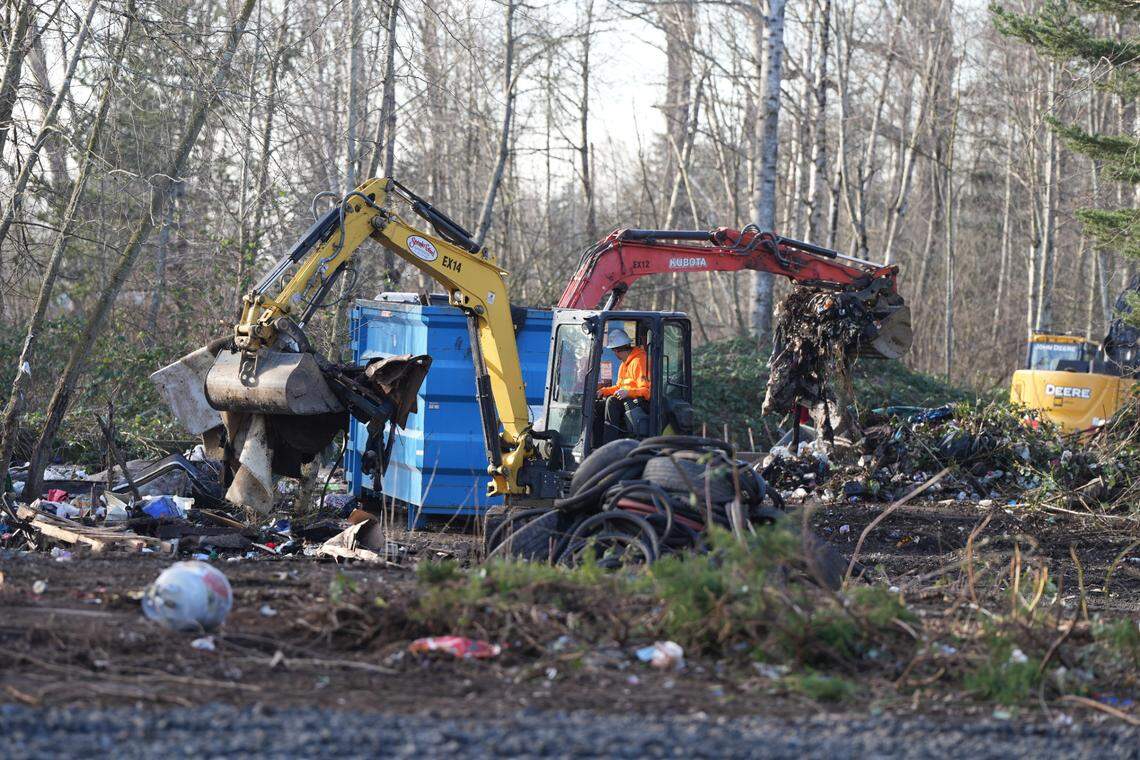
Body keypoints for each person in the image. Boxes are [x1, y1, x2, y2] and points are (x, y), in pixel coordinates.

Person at [596, 327, 650, 441]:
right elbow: (619, 387)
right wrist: (603, 391)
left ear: (616, 350)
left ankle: (609, 443)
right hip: (627, 401)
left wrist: (628, 392)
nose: (615, 353)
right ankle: (596, 442)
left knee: (612, 401)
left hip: (641, 404)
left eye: (614, 350)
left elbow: (647, 391)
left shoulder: (640, 361)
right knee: (599, 405)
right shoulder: (624, 365)